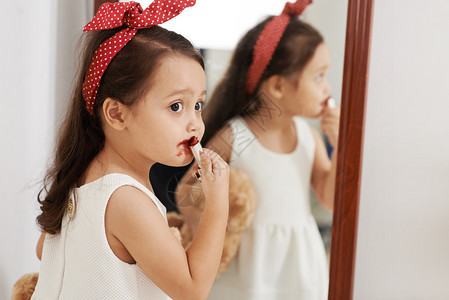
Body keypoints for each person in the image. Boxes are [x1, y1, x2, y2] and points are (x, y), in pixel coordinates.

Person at [31, 1, 229, 299]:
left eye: (198, 105)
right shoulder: (126, 199)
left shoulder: (83, 177)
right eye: (176, 106)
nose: (195, 125)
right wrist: (218, 204)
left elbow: (44, 250)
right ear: (117, 114)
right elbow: (192, 289)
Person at [175, 0, 340, 299]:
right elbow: (187, 193)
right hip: (248, 274)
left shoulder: (308, 137)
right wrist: (218, 238)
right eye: (318, 76)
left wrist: (340, 145)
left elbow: (329, 199)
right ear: (277, 87)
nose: (327, 88)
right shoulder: (238, 136)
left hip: (299, 270)